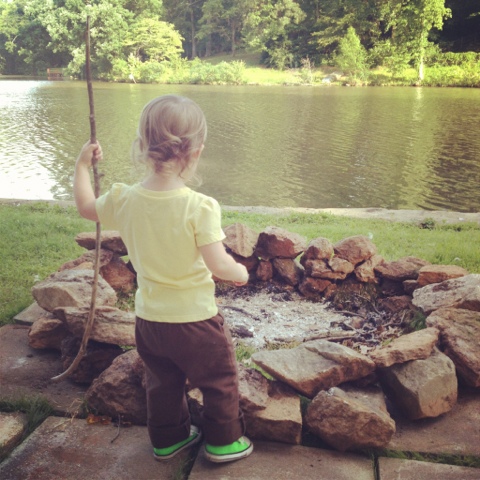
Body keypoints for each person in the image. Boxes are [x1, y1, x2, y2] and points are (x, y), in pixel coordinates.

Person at [73, 94, 253, 463]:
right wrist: (240, 272)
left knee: (162, 383)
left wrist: (80, 166)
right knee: (219, 379)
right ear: (196, 152)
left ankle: (169, 439)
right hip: (195, 321)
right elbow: (219, 265)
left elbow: (86, 207)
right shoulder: (199, 206)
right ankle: (223, 441)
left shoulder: (125, 199)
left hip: (150, 322)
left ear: (142, 145)